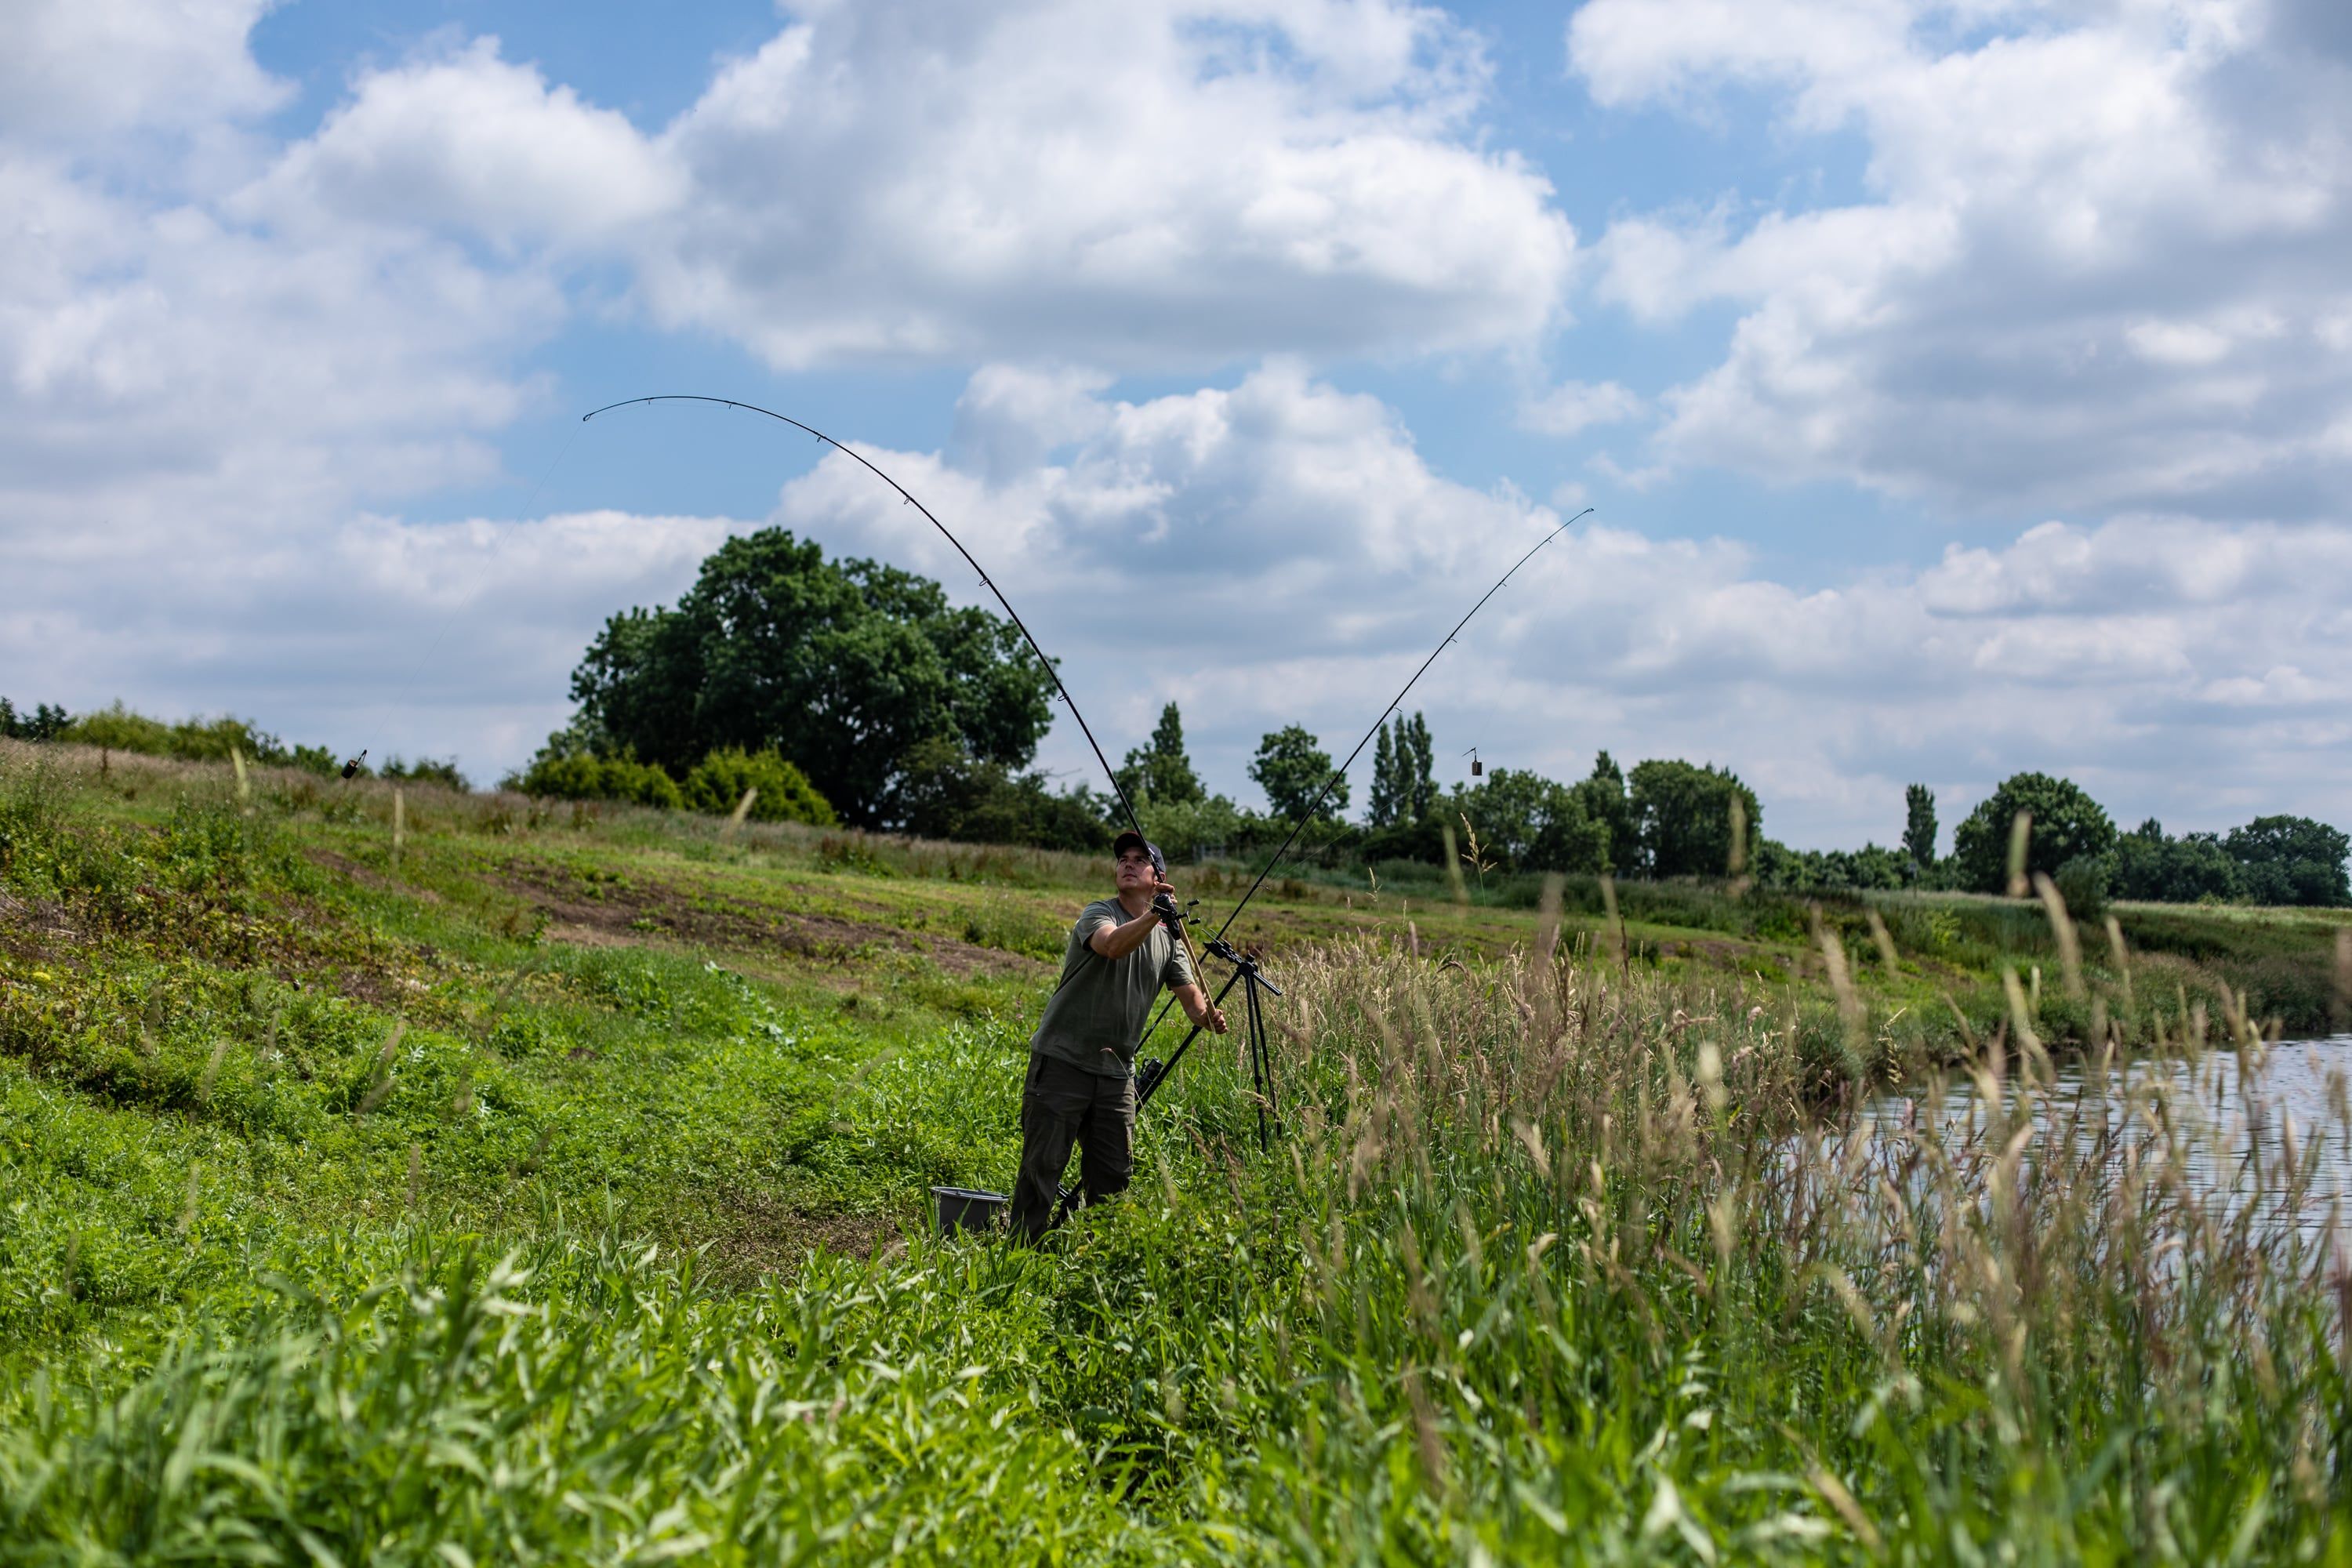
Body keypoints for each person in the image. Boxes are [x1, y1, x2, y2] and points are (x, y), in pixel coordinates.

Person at [1008, 829, 1226, 1238]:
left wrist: (1206, 1017)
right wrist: (1156, 915)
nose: (1127, 864)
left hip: (1115, 1074)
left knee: (1112, 1179)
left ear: (1159, 878)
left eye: (1139, 860)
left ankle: (1099, 1268)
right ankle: (1020, 1256)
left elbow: (1192, 997)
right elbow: (1111, 946)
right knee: (1042, 1168)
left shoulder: (1169, 938)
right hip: (1063, 1060)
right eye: (1123, 859)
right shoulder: (1100, 912)